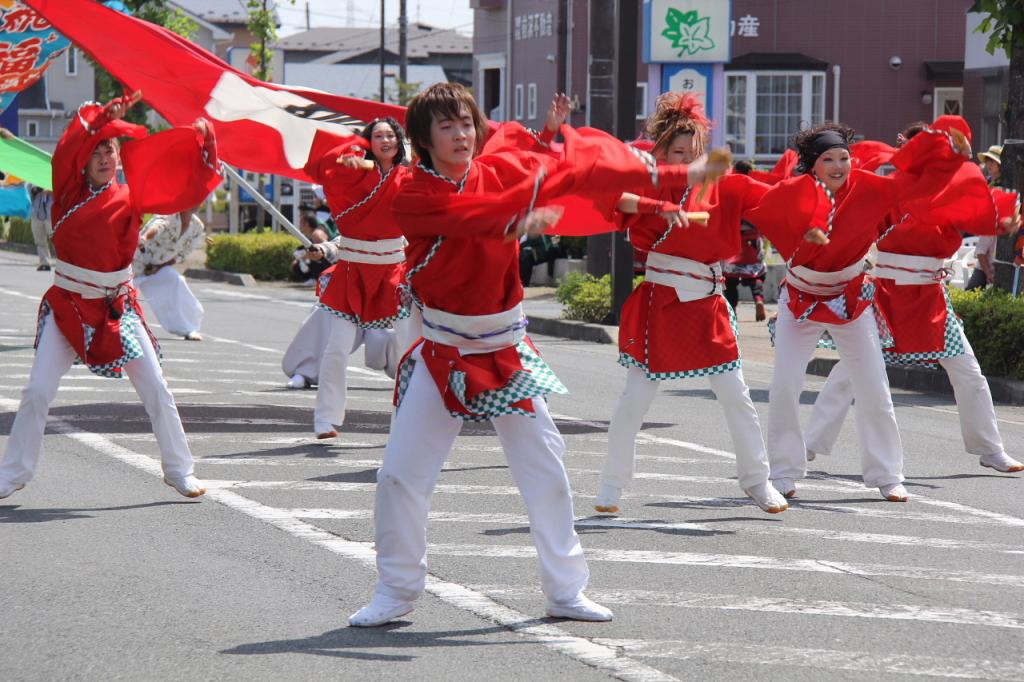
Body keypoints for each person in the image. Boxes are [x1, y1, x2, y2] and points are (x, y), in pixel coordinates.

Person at [348, 84, 704, 628]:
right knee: (400, 474)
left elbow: (573, 172)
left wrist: (670, 181)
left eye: (467, 123)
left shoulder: (496, 170)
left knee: (545, 468)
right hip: (445, 351)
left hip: (505, 348)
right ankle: (396, 590)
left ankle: (566, 591)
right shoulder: (411, 193)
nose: (462, 134)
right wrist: (523, 209)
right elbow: (470, 217)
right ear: (422, 138)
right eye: (447, 126)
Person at [0, 94, 222, 500]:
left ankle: (179, 470)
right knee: (37, 391)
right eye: (97, 149)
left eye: (111, 149)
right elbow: (67, 149)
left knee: (156, 388)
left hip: (118, 308)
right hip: (68, 306)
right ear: (84, 158)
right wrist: (103, 117)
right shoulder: (66, 189)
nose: (105, 156)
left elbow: (176, 187)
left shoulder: (132, 196)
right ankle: (11, 474)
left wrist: (202, 144)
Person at [743, 119, 976, 503]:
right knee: (785, 385)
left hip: (851, 297)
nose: (839, 165)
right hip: (800, 299)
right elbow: (752, 201)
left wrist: (950, 158)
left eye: (844, 157)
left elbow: (918, 185)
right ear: (812, 165)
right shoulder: (792, 192)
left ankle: (887, 475)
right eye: (829, 159)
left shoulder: (871, 188)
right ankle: (783, 472)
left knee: (874, 387)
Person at [593, 92, 788, 516]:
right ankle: (611, 484)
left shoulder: (722, 187)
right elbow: (616, 198)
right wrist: (660, 205)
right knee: (635, 399)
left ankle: (758, 480)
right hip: (661, 302)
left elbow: (772, 197)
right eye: (677, 152)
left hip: (709, 303)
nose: (686, 160)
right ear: (659, 152)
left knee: (736, 394)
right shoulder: (647, 182)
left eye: (693, 153)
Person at [805, 120, 1023, 474]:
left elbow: (980, 214)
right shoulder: (891, 189)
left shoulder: (954, 188)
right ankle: (810, 443)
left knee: (967, 370)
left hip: (931, 295)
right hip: (886, 292)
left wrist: (1001, 221)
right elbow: (855, 221)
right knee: (852, 369)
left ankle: (990, 448)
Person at [303, 117, 416, 439]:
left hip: (395, 272)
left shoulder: (409, 177)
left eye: (390, 135)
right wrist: (325, 247)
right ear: (368, 142)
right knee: (337, 348)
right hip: (352, 270)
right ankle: (325, 419)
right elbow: (347, 226)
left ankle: (409, 419)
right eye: (377, 135)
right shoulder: (351, 177)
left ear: (399, 142)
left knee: (408, 348)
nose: (385, 140)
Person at [132, 207, 208, 340]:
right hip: (136, 262)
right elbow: (157, 226)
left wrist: (159, 267)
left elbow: (184, 253)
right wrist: (144, 238)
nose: (196, 204)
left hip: (158, 267)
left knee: (176, 280)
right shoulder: (168, 214)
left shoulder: (197, 226)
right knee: (120, 293)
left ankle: (188, 328)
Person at [289, 214, 331, 284]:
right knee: (296, 264)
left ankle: (318, 278)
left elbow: (326, 251)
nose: (299, 225)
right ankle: (312, 278)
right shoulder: (309, 235)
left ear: (307, 224)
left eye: (301, 222)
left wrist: (307, 255)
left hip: (328, 264)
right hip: (321, 262)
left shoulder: (316, 234)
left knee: (312, 253)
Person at [29, 185, 54, 271]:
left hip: (51, 214)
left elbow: (62, 192)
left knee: (56, 240)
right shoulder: (35, 176)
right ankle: (44, 262)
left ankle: (64, 263)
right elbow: (28, 190)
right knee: (39, 240)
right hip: (36, 212)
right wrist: (34, 189)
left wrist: (50, 190)